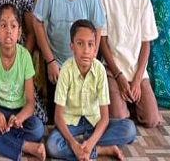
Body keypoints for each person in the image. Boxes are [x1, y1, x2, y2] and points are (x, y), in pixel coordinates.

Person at [33, 0, 106, 120]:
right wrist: (50, 61)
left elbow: (98, 25)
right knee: (57, 118)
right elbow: (37, 22)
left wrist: (92, 57)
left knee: (85, 115)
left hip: (83, 63)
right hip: (56, 63)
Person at [45, 20, 137, 160]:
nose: (86, 50)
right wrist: (73, 144)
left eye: (90, 44)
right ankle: (100, 150)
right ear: (72, 47)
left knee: (129, 129)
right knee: (52, 145)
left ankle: (86, 146)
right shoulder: (65, 70)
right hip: (71, 124)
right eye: (80, 44)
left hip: (94, 122)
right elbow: (58, 117)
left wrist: (90, 143)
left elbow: (104, 118)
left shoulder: (99, 70)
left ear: (95, 49)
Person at [99, 0, 162, 128]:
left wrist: (137, 80)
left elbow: (146, 42)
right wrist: (119, 77)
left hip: (136, 72)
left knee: (152, 120)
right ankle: (123, 103)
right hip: (113, 71)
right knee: (119, 119)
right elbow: (102, 41)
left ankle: (134, 102)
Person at [0, 3, 46, 161]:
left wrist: (19, 118)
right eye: (3, 26)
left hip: (18, 112)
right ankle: (25, 147)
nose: (8, 31)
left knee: (37, 128)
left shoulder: (25, 57)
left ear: (19, 32)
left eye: (13, 26)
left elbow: (30, 103)